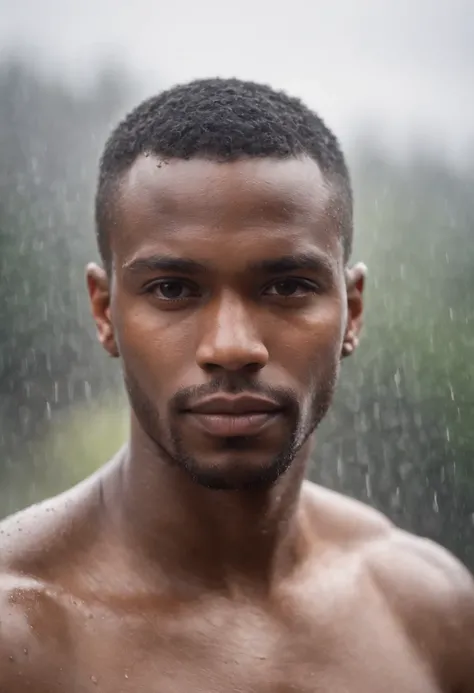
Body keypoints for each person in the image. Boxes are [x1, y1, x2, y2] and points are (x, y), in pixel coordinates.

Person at [0, 78, 473, 692]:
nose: (230, 346)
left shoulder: (428, 611)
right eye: (172, 289)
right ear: (103, 310)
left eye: (287, 286)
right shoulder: (20, 635)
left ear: (352, 312)